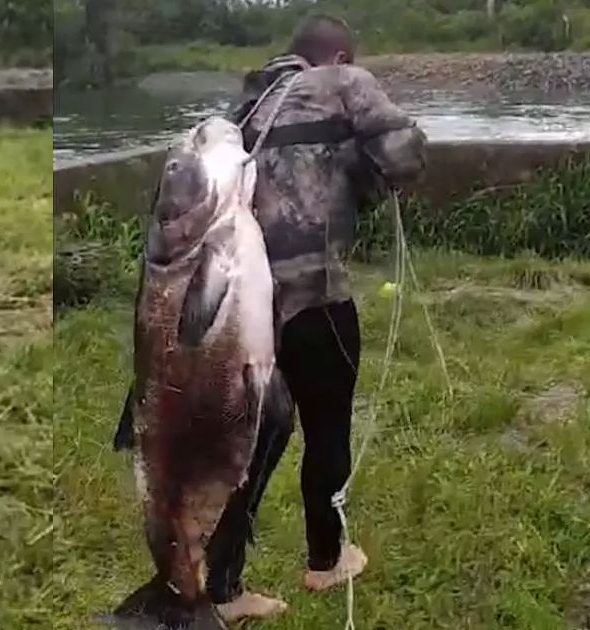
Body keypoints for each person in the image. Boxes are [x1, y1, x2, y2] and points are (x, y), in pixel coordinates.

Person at [113, 13, 426, 625]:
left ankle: (220, 586)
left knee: (247, 444)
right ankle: (327, 558)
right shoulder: (345, 82)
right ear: (336, 56)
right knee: (327, 429)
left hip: (244, 306)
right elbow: (405, 154)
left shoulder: (247, 110)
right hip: (315, 297)